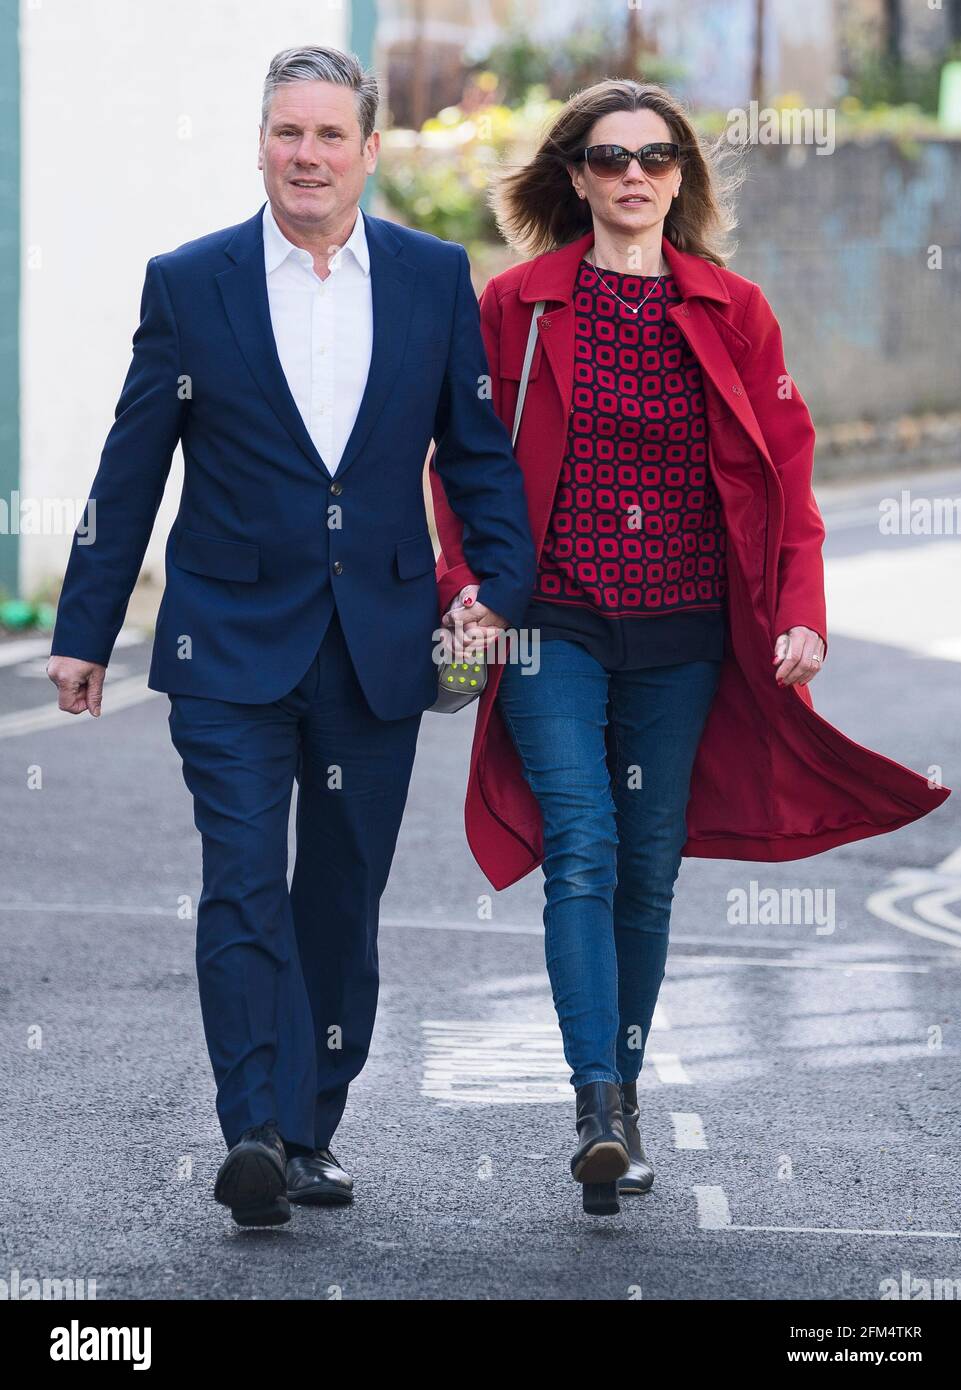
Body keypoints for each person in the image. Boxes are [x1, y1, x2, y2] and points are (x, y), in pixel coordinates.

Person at [430, 79, 950, 1218]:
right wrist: (468, 587)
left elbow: (787, 469)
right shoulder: (515, 304)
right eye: (611, 156)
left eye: (657, 157)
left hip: (684, 632)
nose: (634, 174)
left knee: (647, 872)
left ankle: (619, 1094)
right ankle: (600, 1105)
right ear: (575, 175)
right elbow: (463, 463)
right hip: (548, 623)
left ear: (680, 177)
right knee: (583, 839)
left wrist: (801, 607)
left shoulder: (735, 310)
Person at [46, 45, 536, 1227]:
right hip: (227, 641)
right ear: (259, 143)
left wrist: (498, 593)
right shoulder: (190, 280)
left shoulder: (430, 280)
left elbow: (477, 461)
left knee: (341, 891)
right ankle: (253, 1129)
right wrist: (86, 627)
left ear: (370, 150)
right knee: (244, 878)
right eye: (286, 133)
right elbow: (132, 465)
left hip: (376, 643)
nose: (305, 156)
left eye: (328, 136)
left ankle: (313, 1125)